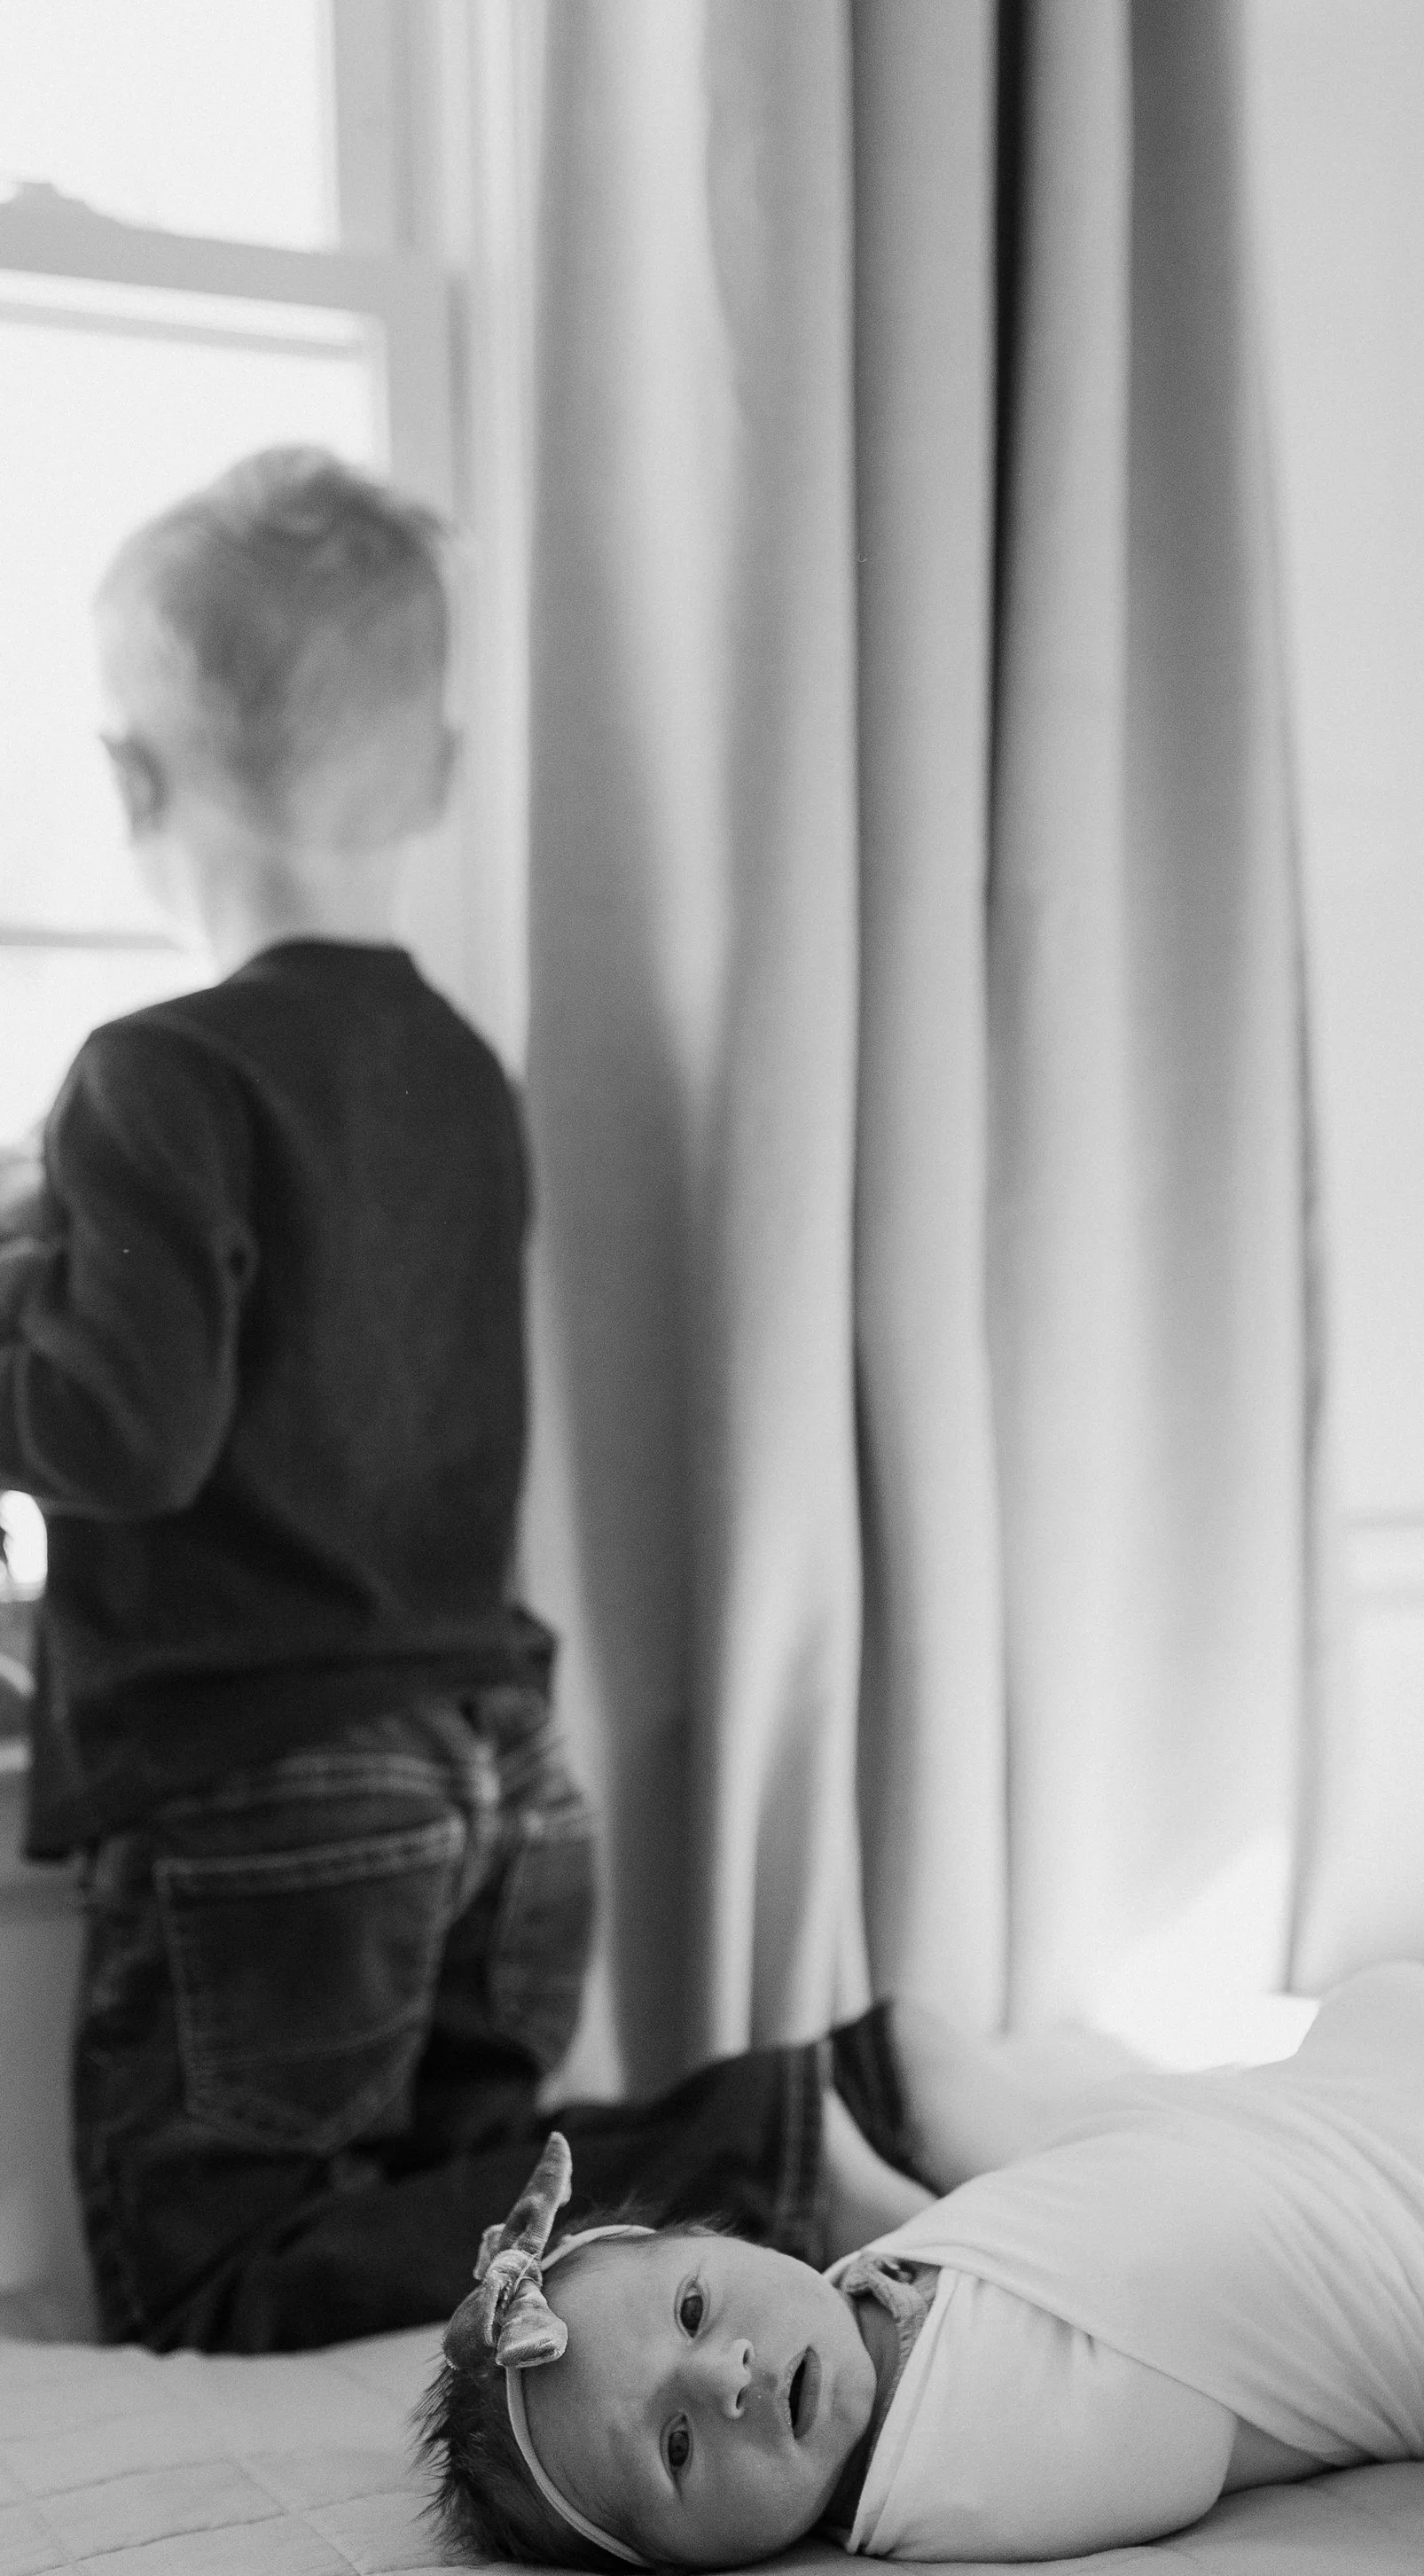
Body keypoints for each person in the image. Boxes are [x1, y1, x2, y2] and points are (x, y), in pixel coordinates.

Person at [0, 445, 971, 2352]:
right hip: (507, 1773)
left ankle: (766, 2140)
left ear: (126, 781)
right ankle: (818, 2111)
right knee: (490, 2235)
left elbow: (127, 1430)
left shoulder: (150, 1072)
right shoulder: (457, 1070)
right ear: (439, 770)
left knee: (222, 2272)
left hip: (281, 1793)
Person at [418, 1962, 1424, 2572]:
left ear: (727, 2233)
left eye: (694, 2305)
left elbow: (1082, 2198)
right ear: (682, 2567)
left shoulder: (867, 2297)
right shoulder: (951, 2471)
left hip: (1373, 2119)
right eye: (677, 2447)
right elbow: (1167, 2372)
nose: (727, 2375)